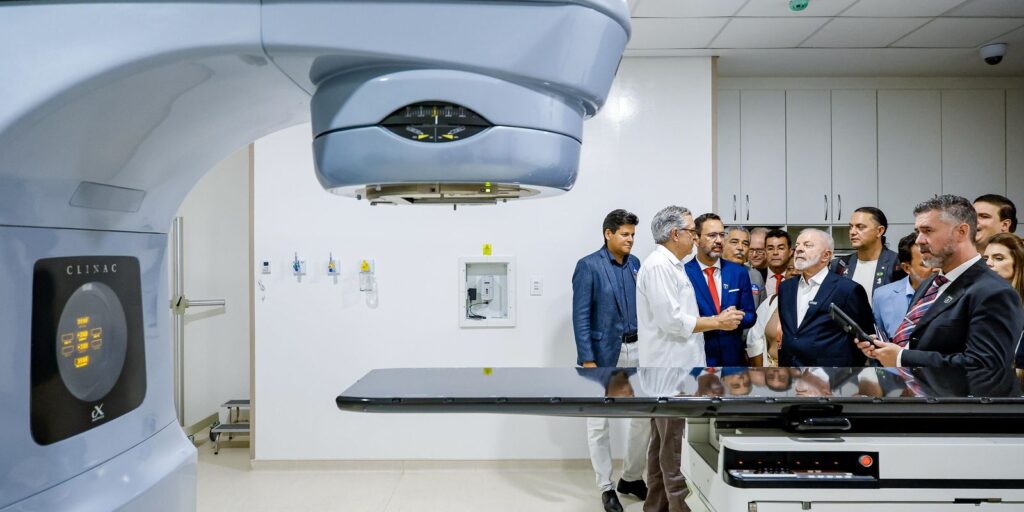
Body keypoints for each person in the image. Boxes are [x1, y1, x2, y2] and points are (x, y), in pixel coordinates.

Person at [636, 206, 744, 512]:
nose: (696, 237)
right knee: (673, 447)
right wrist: (717, 321)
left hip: (677, 369)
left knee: (661, 444)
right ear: (675, 234)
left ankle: (655, 506)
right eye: (692, 232)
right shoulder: (659, 266)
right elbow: (671, 321)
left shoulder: (673, 265)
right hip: (670, 372)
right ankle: (678, 506)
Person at [858, 195, 1024, 368]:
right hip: (913, 384)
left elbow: (984, 366)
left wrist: (902, 358)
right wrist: (886, 351)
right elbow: (919, 343)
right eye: (918, 231)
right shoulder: (931, 283)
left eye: (928, 231)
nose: (919, 240)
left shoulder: (994, 292)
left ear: (961, 232)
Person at [571, 209, 649, 511]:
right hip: (602, 355)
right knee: (598, 422)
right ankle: (605, 486)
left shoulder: (636, 264)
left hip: (636, 349)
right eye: (625, 234)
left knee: (643, 416)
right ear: (608, 234)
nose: (630, 239)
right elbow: (580, 316)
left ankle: (631, 477)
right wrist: (588, 360)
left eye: (633, 235)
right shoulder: (588, 266)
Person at [777, 229, 873, 367]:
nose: (799, 249)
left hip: (830, 374)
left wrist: (844, 372)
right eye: (797, 245)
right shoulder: (786, 288)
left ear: (826, 256)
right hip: (790, 371)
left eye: (807, 245)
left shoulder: (847, 289)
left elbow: (864, 337)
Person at [685, 214, 758, 366]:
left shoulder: (738, 272)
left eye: (721, 235)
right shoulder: (684, 273)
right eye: (712, 235)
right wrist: (717, 321)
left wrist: (734, 318)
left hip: (733, 359)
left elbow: (751, 315)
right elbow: (681, 320)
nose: (718, 240)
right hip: (699, 359)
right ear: (696, 239)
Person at [830, 207, 899, 303]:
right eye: (851, 226)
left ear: (880, 231)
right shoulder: (839, 265)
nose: (852, 232)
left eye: (860, 227)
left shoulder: (897, 263)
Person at [873, 233, 934, 340]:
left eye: (936, 261)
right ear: (906, 268)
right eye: (926, 264)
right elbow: (882, 339)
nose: (935, 268)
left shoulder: (949, 292)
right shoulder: (882, 296)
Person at [724, 226, 765, 307]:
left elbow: (763, 310)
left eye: (745, 244)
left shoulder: (755, 275)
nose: (740, 248)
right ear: (723, 244)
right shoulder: (712, 273)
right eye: (734, 242)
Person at [763, 229, 792, 298]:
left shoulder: (797, 276)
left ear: (790, 252)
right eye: (770, 248)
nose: (775, 252)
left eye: (781, 248)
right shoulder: (758, 276)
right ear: (765, 252)